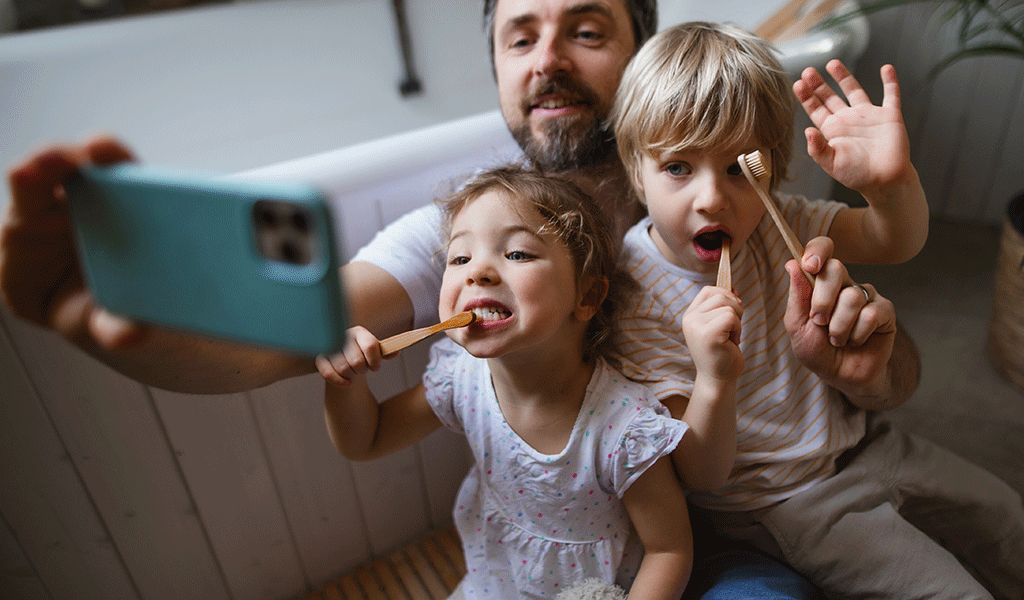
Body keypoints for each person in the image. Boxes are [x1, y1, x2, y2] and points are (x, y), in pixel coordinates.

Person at [0, 0, 917, 597]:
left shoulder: (724, 179)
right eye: (520, 36)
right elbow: (289, 333)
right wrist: (115, 331)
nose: (547, 59)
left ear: (643, 54)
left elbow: (895, 358)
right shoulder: (476, 223)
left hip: (714, 523)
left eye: (587, 29)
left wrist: (874, 365)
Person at [610, 21, 1024, 599]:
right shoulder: (633, 295)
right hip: (782, 503)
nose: (711, 198)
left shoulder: (782, 222)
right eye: (678, 167)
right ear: (636, 170)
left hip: (865, 440)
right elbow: (700, 475)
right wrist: (713, 377)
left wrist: (889, 187)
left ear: (772, 170)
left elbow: (893, 240)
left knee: (1009, 519)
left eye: (737, 167)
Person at [321, 165, 693, 599]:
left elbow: (669, 550)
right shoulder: (461, 380)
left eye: (517, 254)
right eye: (459, 258)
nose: (477, 271)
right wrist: (343, 382)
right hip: (494, 584)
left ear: (587, 296)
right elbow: (367, 440)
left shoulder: (624, 431)